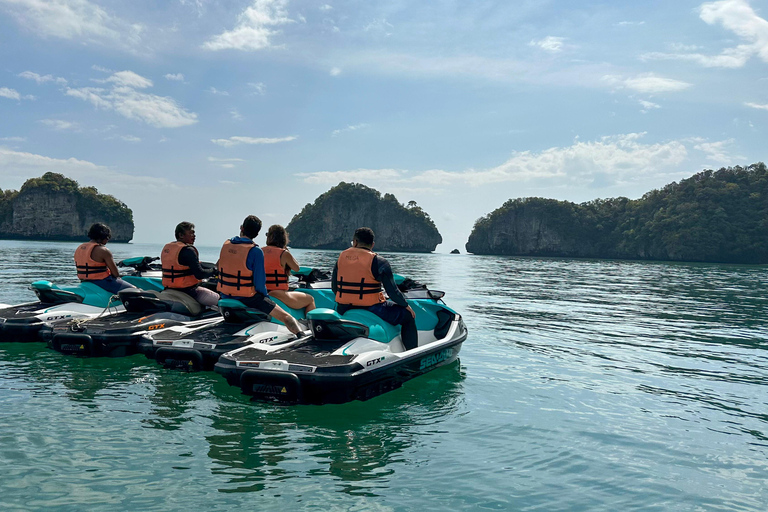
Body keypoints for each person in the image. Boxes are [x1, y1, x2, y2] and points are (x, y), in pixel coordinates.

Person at [332, 227, 418, 350]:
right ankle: (412, 354)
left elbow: (335, 288)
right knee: (408, 317)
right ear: (372, 245)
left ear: (355, 242)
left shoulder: (341, 258)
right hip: (372, 308)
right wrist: (406, 305)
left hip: (343, 307)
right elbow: (392, 292)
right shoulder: (379, 262)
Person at [217, 215, 302, 335]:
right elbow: (260, 283)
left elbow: (218, 266)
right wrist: (266, 298)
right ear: (256, 234)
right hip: (249, 298)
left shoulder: (226, 245)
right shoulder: (255, 251)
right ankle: (300, 335)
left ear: (241, 228)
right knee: (286, 317)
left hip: (225, 295)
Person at [160, 221, 219, 307]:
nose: (194, 236)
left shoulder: (168, 249)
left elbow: (193, 264)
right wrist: (214, 271)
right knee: (220, 301)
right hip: (189, 292)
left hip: (169, 289)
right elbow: (200, 274)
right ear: (181, 235)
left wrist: (213, 266)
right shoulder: (188, 250)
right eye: (191, 233)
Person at [263, 224, 316, 314]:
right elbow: (296, 268)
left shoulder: (260, 251)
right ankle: (311, 325)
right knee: (310, 299)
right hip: (279, 293)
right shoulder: (284, 253)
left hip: (263, 292)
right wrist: (286, 251)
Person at [74, 222, 136, 294]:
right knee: (135, 290)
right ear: (104, 237)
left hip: (84, 280)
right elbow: (115, 274)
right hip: (102, 282)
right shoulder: (103, 250)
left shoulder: (80, 248)